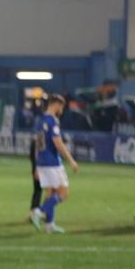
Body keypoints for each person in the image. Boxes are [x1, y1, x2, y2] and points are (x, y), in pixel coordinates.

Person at [29, 95, 78, 233]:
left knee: (51, 194)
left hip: (42, 163)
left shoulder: (40, 120)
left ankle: (49, 225)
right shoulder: (52, 121)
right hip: (53, 163)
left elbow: (38, 145)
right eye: (61, 106)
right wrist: (71, 160)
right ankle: (38, 211)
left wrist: (37, 166)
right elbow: (58, 144)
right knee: (63, 193)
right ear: (56, 104)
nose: (61, 110)